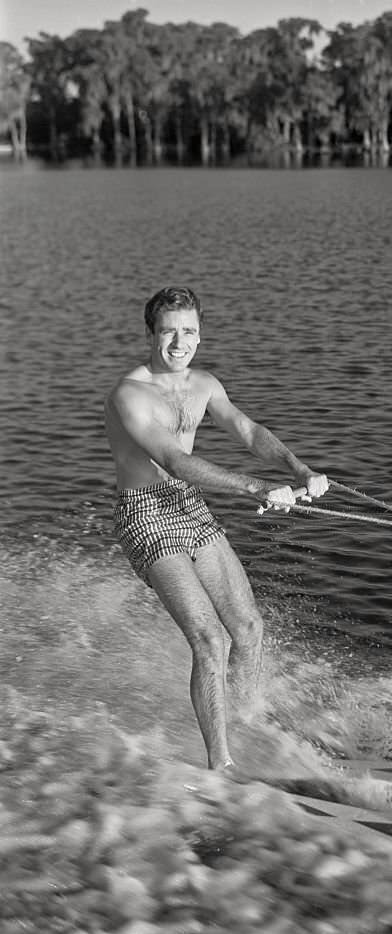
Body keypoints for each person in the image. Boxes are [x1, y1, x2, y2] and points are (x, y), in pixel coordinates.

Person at [105, 285, 329, 771]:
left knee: (248, 628)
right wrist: (255, 489)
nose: (179, 342)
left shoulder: (204, 384)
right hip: (145, 512)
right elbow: (174, 459)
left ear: (200, 335)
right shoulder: (130, 394)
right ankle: (221, 766)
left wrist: (299, 470)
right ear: (151, 333)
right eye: (169, 331)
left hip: (187, 504)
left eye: (188, 331)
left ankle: (249, 725)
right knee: (211, 640)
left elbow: (249, 433)